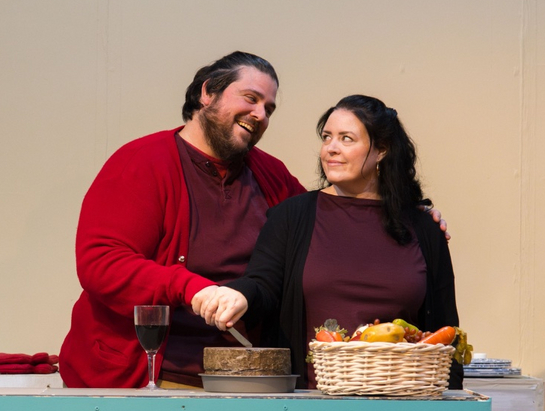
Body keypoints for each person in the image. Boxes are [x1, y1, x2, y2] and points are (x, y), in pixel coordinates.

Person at [60, 52, 449, 389]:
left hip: (244, 378)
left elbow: (334, 219)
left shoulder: (271, 175)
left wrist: (412, 218)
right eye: (251, 98)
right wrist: (194, 290)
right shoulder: (142, 162)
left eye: (269, 108)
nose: (260, 114)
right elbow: (101, 263)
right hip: (149, 376)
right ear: (207, 92)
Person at [193, 94, 463, 390]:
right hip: (310, 404)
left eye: (347, 139)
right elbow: (263, 284)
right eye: (327, 137)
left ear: (382, 150)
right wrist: (238, 295)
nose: (331, 149)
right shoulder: (292, 216)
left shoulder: (423, 227)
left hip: (404, 403)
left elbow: (446, 333)